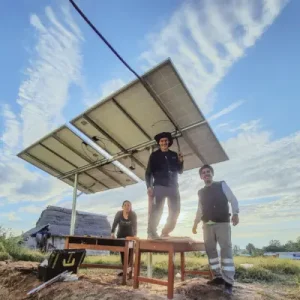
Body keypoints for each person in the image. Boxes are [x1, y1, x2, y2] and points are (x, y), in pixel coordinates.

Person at [192, 164, 239, 295]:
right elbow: (199, 209)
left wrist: (235, 213)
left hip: (222, 223)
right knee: (211, 251)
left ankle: (228, 282)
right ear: (201, 177)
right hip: (207, 225)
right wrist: (195, 224)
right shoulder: (201, 192)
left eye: (208, 172)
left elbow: (233, 199)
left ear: (212, 174)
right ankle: (218, 277)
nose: (206, 174)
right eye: (204, 173)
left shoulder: (221, 185)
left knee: (226, 250)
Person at [145, 132, 184, 239]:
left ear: (169, 142)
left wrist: (180, 162)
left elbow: (180, 171)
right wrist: (149, 186)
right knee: (157, 210)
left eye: (166, 140)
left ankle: (165, 231)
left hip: (173, 187)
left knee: (176, 210)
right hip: (159, 186)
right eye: (162, 141)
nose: (164, 142)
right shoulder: (154, 155)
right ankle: (151, 233)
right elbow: (148, 172)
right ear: (159, 143)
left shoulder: (174, 155)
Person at [111, 200, 137, 275]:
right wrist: (112, 233)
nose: (127, 207)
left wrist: (135, 235)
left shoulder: (133, 214)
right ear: (122, 207)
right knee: (123, 252)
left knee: (130, 253)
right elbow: (115, 223)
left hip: (130, 236)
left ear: (130, 207)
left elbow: (135, 225)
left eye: (128, 205)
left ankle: (129, 269)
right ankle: (125, 269)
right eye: (125, 205)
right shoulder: (119, 214)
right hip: (121, 236)